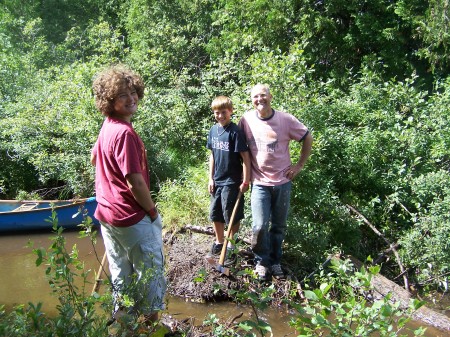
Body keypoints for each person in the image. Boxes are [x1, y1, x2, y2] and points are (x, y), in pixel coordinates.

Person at [90, 65, 166, 325]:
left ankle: (125, 327)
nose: (131, 98)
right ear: (109, 100)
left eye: (133, 91)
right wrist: (152, 212)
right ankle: (151, 327)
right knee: (151, 277)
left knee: (122, 274)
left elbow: (93, 158)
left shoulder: (108, 126)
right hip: (130, 216)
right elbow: (135, 182)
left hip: (107, 214)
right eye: (122, 95)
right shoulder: (124, 133)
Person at [238, 84, 313, 281]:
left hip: (282, 181)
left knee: (278, 226)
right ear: (251, 100)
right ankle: (261, 261)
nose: (259, 99)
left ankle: (275, 260)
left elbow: (307, 137)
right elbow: (239, 148)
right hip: (259, 182)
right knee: (260, 225)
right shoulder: (245, 120)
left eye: (263, 95)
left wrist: (298, 166)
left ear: (270, 96)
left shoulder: (285, 120)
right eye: (255, 97)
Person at [206, 96, 251, 265]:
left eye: (223, 112)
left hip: (232, 181)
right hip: (217, 180)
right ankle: (219, 242)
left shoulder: (235, 131)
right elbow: (212, 155)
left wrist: (245, 180)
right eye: (217, 113)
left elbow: (245, 157)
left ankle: (231, 245)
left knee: (231, 214)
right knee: (215, 212)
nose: (220, 116)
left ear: (230, 111)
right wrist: (210, 178)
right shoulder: (213, 131)